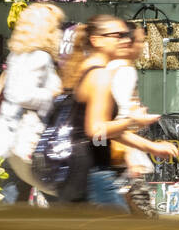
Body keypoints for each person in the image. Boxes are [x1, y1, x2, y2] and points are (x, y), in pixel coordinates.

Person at [58, 15, 169, 210]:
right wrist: (132, 121)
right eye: (118, 35)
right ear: (97, 40)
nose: (126, 40)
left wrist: (151, 147)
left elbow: (106, 130)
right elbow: (96, 131)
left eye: (126, 35)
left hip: (86, 171)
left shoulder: (89, 68)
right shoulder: (100, 75)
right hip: (92, 172)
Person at [0, 2, 66, 204]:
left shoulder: (18, 54)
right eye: (57, 26)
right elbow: (20, 94)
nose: (59, 31)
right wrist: (52, 93)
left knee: (11, 199)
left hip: (11, 140)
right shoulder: (39, 57)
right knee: (54, 197)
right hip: (25, 142)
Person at [108, 24, 179, 216]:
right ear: (128, 43)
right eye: (140, 41)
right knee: (142, 218)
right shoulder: (124, 70)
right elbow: (119, 119)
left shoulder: (111, 66)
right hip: (123, 157)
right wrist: (137, 122)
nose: (143, 46)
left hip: (113, 155)